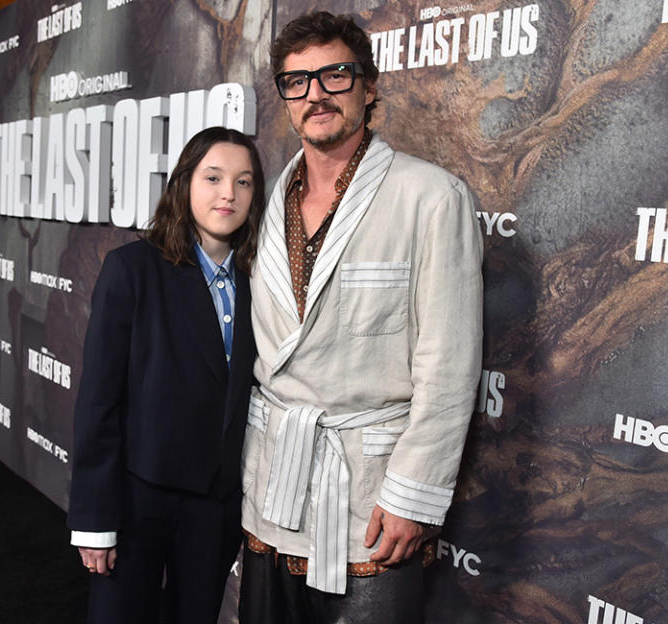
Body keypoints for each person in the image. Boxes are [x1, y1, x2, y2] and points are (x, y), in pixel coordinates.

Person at [238, 11, 483, 624]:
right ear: (286, 100)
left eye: (334, 75)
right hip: (274, 482)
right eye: (297, 82)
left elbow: (449, 364)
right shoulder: (266, 203)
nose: (315, 93)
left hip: (371, 498)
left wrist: (413, 494)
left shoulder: (431, 197)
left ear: (368, 87)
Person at [68, 126, 265, 624]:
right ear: (184, 185)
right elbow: (99, 402)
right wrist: (94, 520)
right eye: (214, 177)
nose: (228, 193)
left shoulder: (262, 282)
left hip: (216, 507)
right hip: (139, 499)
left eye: (244, 183)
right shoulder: (132, 269)